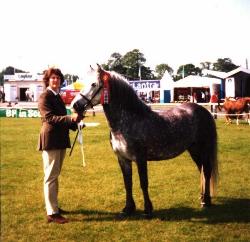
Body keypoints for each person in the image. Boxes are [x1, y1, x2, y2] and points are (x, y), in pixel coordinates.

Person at [37, 68, 82, 224]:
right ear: (48, 80)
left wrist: (76, 124)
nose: (55, 80)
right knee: (50, 177)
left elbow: (63, 119)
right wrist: (70, 119)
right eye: (53, 78)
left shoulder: (57, 96)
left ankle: (54, 207)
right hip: (51, 140)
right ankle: (52, 213)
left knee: (54, 176)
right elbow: (49, 118)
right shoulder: (45, 96)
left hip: (60, 139)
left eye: (58, 78)